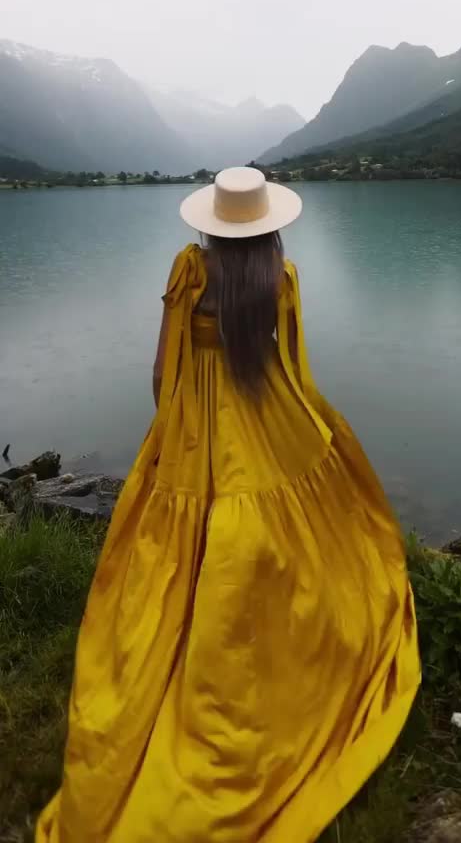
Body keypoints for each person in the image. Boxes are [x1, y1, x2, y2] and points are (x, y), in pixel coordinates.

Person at [37, 166, 420, 843]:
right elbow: (294, 371)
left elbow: (163, 370)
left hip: (196, 422)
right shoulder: (282, 276)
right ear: (270, 224)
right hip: (265, 412)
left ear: (209, 222)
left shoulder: (189, 269)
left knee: (175, 549)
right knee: (277, 543)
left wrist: (175, 428)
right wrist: (310, 433)